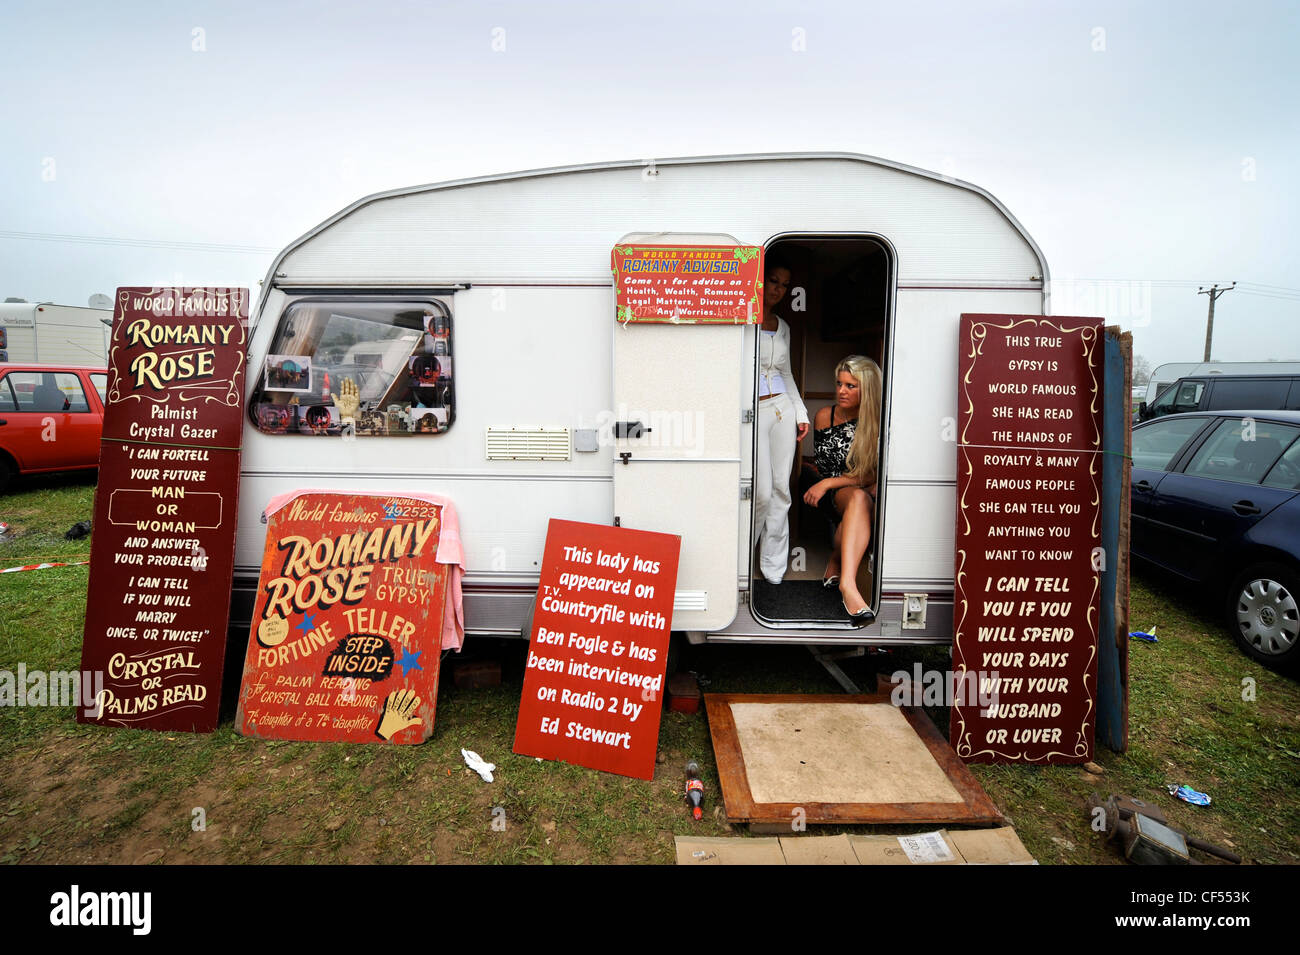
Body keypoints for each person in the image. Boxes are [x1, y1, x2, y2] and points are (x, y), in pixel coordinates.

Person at [803, 355, 882, 619]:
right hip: (833, 495)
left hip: (851, 491)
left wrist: (830, 482)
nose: (841, 391)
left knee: (861, 497)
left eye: (851, 386)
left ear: (867, 389)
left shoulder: (879, 420)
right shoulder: (826, 416)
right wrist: (829, 483)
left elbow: (874, 473)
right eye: (839, 384)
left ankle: (841, 573)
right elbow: (827, 469)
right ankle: (846, 581)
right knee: (859, 496)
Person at [753, 258, 810, 585]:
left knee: (780, 489)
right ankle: (744, 552)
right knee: (760, 491)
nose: (777, 289)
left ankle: (773, 566)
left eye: (784, 285)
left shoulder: (783, 325)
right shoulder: (744, 320)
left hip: (783, 410)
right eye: (773, 280)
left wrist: (800, 413)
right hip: (753, 412)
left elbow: (786, 373)